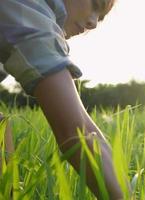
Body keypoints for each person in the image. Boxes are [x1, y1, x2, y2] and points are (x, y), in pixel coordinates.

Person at [0, 0, 124, 199]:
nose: (94, 23)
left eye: (100, 17)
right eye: (95, 4)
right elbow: (79, 131)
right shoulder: (26, 9)